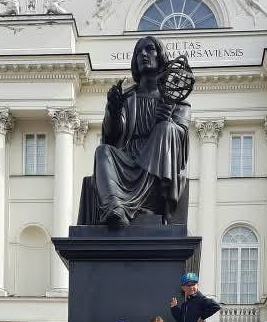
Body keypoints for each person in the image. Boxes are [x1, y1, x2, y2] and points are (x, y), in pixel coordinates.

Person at [77, 34, 191, 229]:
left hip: (157, 160)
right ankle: (115, 208)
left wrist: (167, 120)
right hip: (128, 160)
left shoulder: (176, 100)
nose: (143, 55)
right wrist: (113, 109)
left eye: (149, 49)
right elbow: (112, 138)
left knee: (166, 129)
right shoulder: (127, 97)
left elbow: (181, 138)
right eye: (139, 52)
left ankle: (149, 205)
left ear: (161, 55)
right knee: (102, 151)